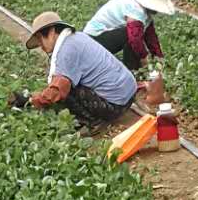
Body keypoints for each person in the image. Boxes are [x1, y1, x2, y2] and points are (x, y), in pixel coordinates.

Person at [10, 9, 139, 131]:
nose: (41, 47)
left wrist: (31, 100)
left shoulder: (67, 50)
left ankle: (93, 122)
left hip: (115, 105)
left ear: (51, 32)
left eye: (40, 39)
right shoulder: (78, 37)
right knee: (68, 83)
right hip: (129, 95)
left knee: (66, 92)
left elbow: (57, 90)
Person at [83, 0, 174, 75]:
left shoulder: (145, 13)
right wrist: (144, 61)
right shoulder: (135, 9)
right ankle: (132, 72)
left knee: (135, 36)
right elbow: (134, 39)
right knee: (131, 36)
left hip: (101, 39)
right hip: (93, 41)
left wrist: (159, 57)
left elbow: (150, 36)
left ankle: (134, 71)